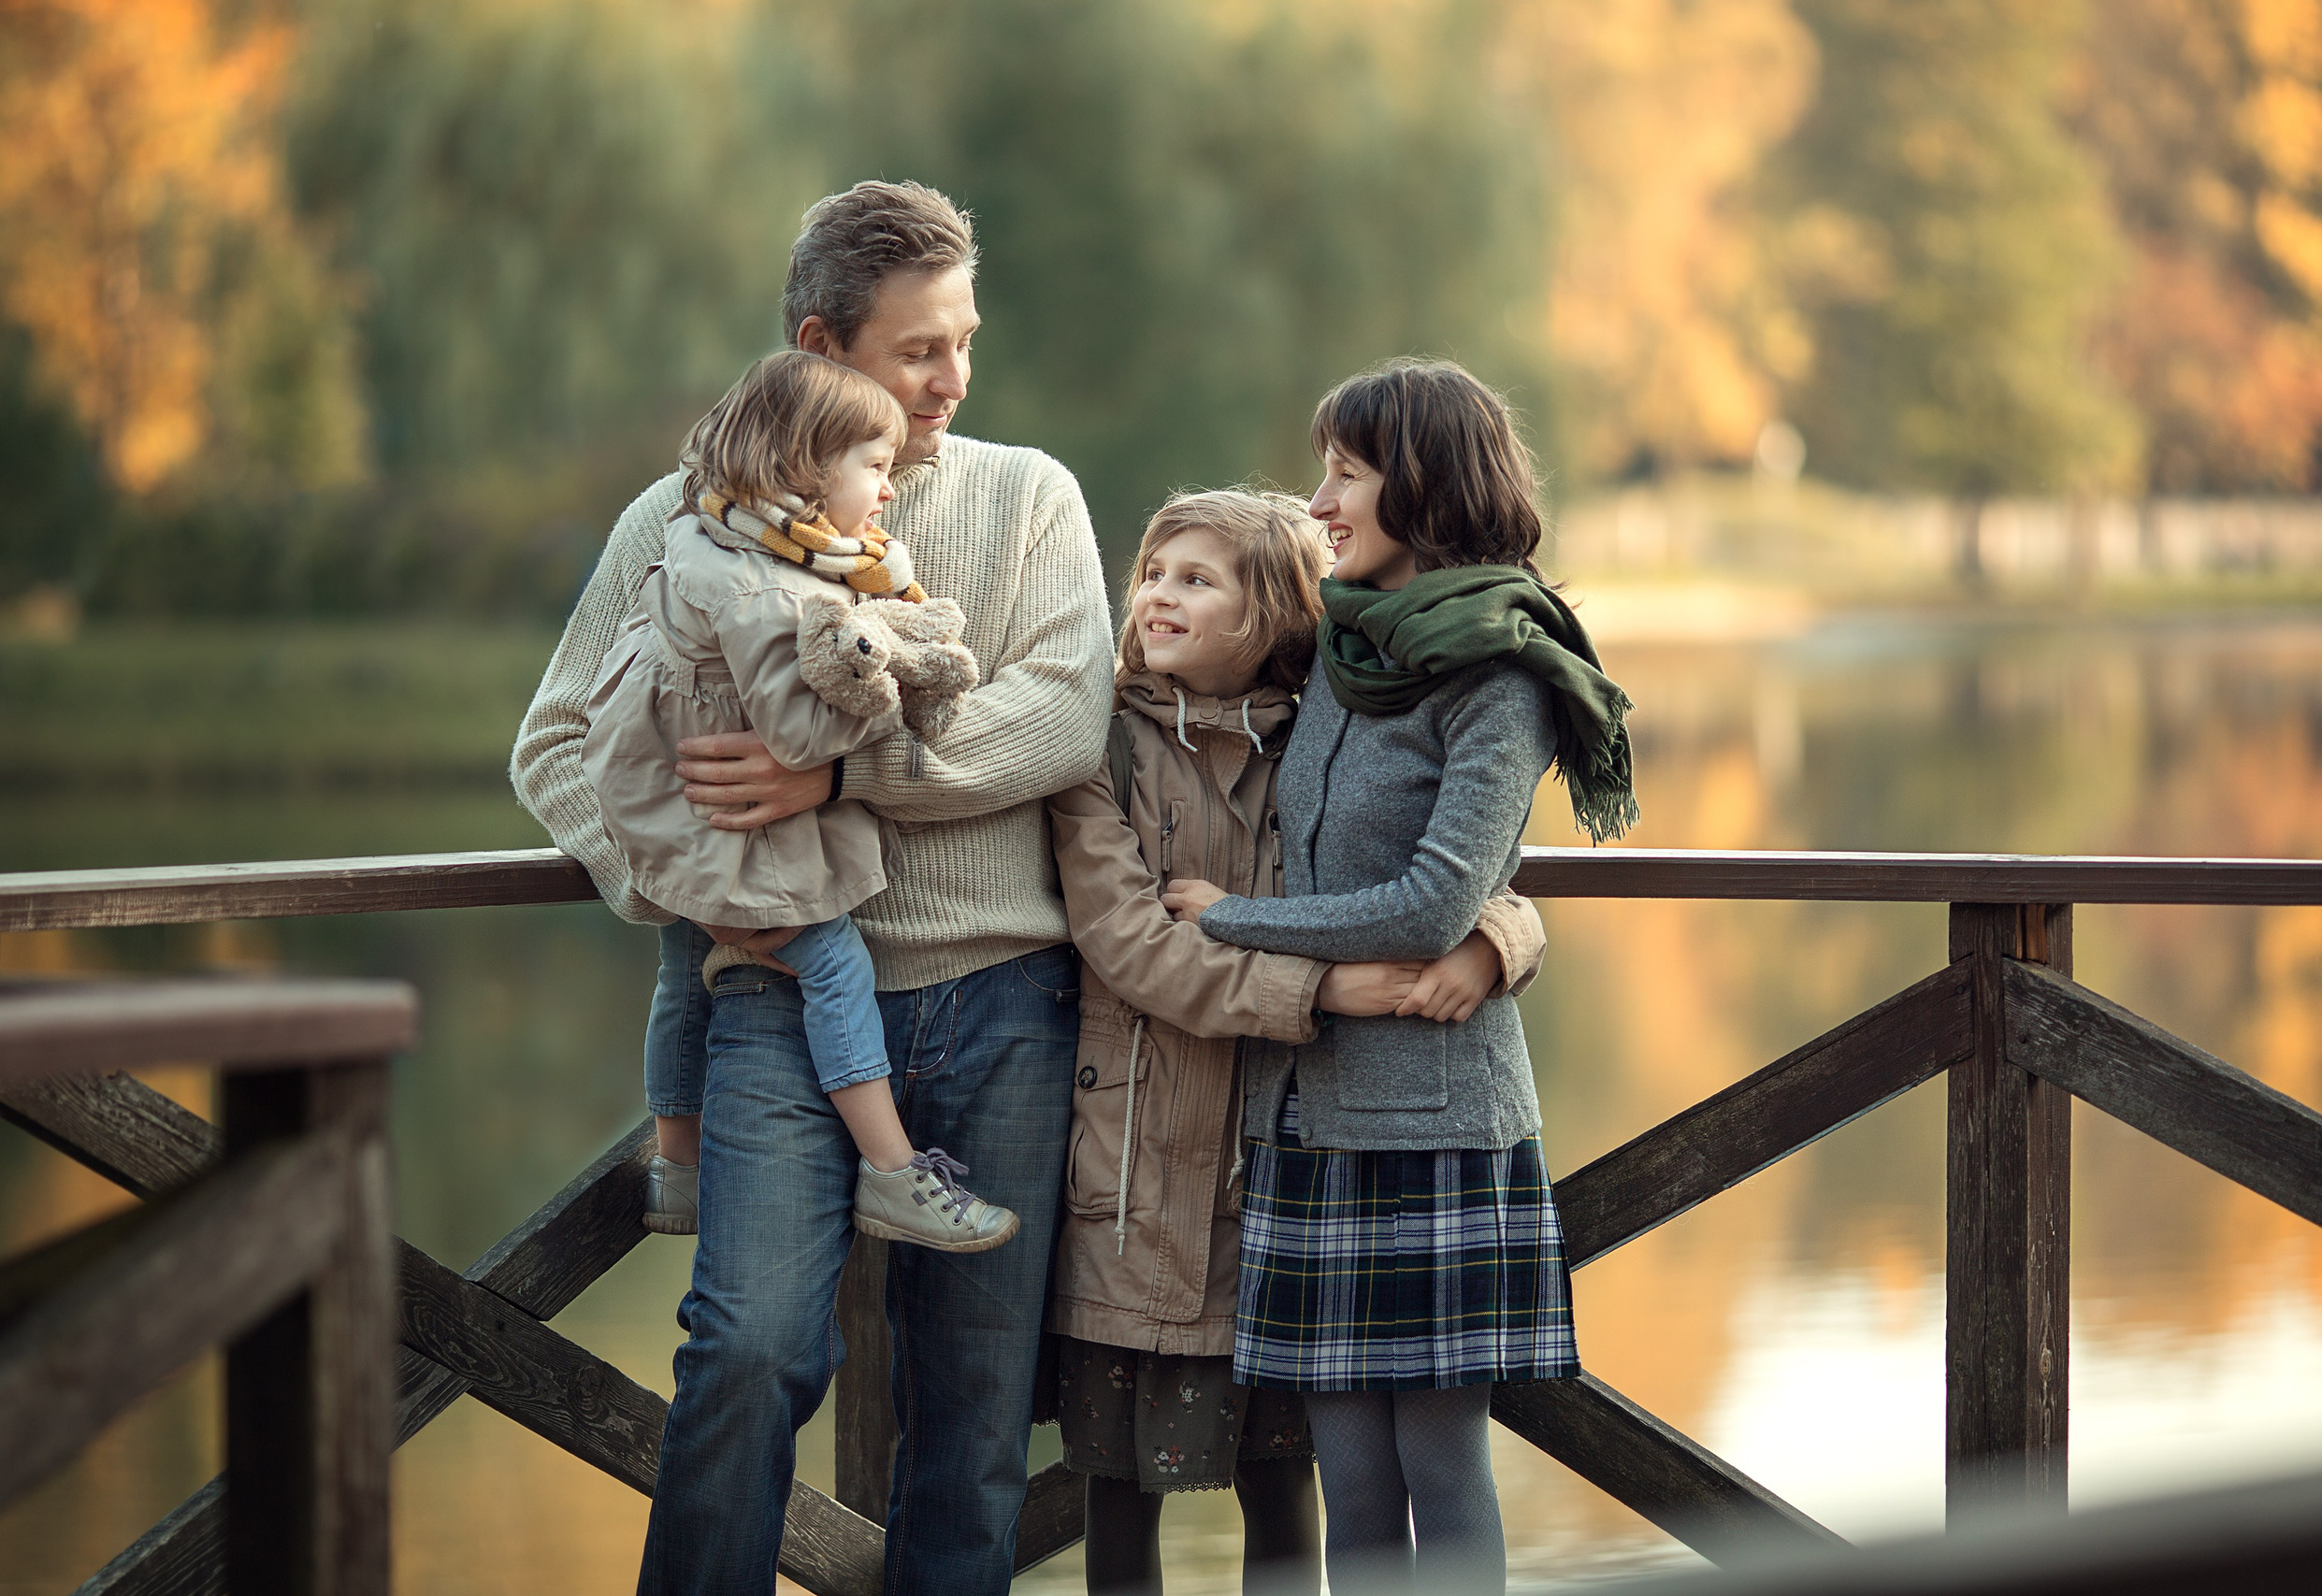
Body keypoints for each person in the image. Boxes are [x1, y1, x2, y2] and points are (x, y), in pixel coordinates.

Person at [510, 180, 1115, 1595]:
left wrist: (843, 781)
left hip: (1006, 1000)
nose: (952, 380)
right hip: (773, 999)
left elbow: (1062, 717)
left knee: (969, 1426)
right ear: (820, 342)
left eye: (964, 341)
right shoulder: (681, 519)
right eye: (918, 352)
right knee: (749, 1350)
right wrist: (701, 886)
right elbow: (556, 746)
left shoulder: (1031, 498)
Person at [1162, 359, 1637, 1594]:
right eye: (1325, 470)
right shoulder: (1340, 648)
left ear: (1420, 486)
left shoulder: (1502, 674)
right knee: (1352, 1483)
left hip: (1434, 1121)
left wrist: (1234, 922)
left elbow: (1436, 900)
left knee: (1438, 1469)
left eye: (1347, 472)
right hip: (1305, 1114)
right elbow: (1171, 680)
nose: (1319, 499)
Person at [1045, 488, 1552, 1596]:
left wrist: (1497, 943)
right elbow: (1134, 946)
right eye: (1154, 572)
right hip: (1133, 1177)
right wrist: (1327, 989)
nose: (1158, 596)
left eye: (1197, 577)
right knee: (1117, 1487)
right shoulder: (1094, 745)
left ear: (1276, 611)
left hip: (1287, 1166)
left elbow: (1453, 874)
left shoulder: (1326, 731)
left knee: (1294, 1484)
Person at [580, 347, 1016, 1253]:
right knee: (834, 966)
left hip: (664, 809)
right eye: (874, 467)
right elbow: (799, 737)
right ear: (804, 472)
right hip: (720, 826)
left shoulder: (711, 530)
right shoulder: (765, 590)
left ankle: (677, 1172)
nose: (888, 492)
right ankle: (894, 1171)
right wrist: (886, 686)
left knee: (678, 975)